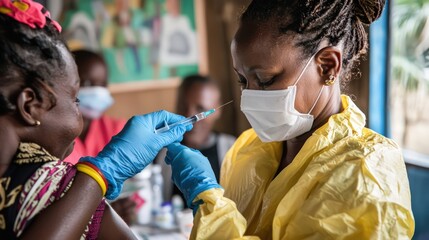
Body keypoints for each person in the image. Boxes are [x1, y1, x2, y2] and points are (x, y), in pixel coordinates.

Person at [164, 0, 415, 239]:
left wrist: (208, 200)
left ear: (327, 66)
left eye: (264, 80)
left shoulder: (366, 172)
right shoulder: (247, 149)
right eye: (243, 80)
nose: (248, 98)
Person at [0, 1, 190, 239]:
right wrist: (98, 176)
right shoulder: (60, 188)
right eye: (75, 98)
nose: (80, 108)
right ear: (31, 104)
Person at [63, 49, 136, 225]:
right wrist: (103, 213)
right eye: (88, 82)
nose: (97, 91)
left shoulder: (119, 130)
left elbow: (134, 185)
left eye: (102, 84)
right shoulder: (58, 138)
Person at [157, 74, 236, 201]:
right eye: (183, 107)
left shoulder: (233, 149)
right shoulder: (163, 154)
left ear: (218, 111)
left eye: (200, 108)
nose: (189, 116)